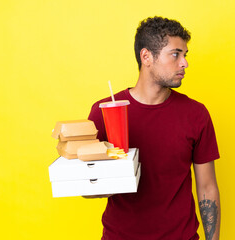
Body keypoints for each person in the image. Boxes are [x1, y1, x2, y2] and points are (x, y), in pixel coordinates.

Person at [88, 16, 221, 240]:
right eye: (175, 54)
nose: (184, 63)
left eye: (185, 55)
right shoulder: (104, 112)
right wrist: (106, 182)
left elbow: (207, 188)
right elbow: (88, 186)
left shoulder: (196, 114)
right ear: (147, 56)